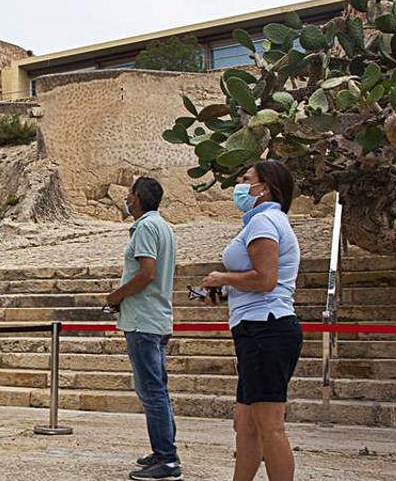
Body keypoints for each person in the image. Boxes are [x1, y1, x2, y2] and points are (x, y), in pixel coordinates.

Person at [198, 160, 303, 481]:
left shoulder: (264, 223)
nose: (240, 185)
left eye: (247, 179)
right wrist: (226, 288)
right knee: (245, 424)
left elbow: (266, 279)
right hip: (255, 328)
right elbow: (257, 279)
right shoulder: (262, 221)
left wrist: (220, 277)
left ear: (265, 188)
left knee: (270, 426)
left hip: (266, 328)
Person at [106, 177, 181, 481]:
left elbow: (146, 273)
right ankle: (163, 449)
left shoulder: (146, 227)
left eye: (129, 194)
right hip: (155, 317)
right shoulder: (162, 226)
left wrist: (116, 295)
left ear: (136, 198)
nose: (126, 198)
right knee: (156, 389)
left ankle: (167, 459)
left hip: (143, 320)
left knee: (151, 391)